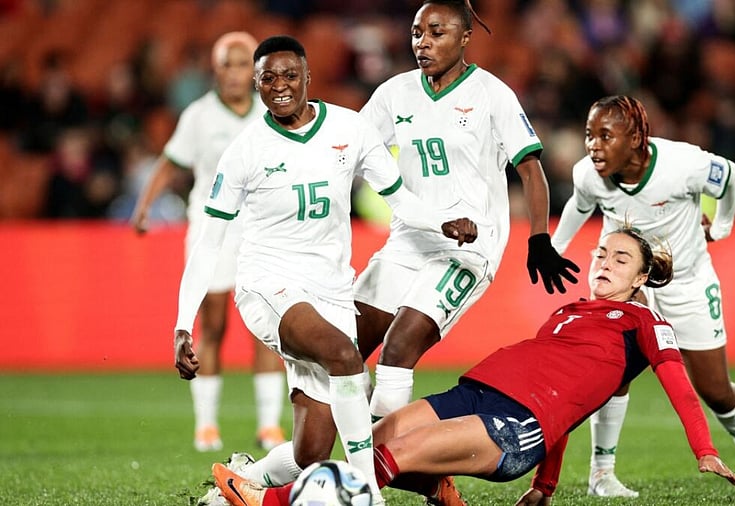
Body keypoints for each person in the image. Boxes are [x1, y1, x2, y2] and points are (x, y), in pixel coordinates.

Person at [211, 226, 735, 506]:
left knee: (394, 456)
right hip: (475, 394)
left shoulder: (644, 323)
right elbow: (571, 399)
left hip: (516, 426)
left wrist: (705, 451)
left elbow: (679, 386)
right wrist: (548, 487)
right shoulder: (570, 313)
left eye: (619, 259)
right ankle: (436, 489)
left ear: (640, 278)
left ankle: (269, 499)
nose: (604, 263)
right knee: (366, 441)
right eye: (601, 254)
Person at [173, 34, 477, 506]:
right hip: (267, 285)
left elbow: (398, 198)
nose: (280, 86)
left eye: (289, 75)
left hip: (331, 290)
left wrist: (443, 221)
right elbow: (209, 241)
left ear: (307, 77)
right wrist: (181, 323)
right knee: (345, 357)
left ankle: (241, 483)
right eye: (267, 78)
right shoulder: (245, 151)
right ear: (256, 85)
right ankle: (368, 495)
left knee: (311, 449)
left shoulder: (349, 129)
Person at [550, 95, 735, 495]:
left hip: (687, 282)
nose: (593, 144)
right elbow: (580, 204)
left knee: (715, 388)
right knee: (612, 373)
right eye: (589, 134)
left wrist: (724, 225)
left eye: (605, 135)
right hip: (632, 285)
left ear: (636, 138)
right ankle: (601, 474)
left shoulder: (682, 165)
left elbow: (730, 176)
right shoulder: (589, 173)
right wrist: (553, 248)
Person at [355, 0, 578, 424]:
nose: (423, 42)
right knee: (345, 350)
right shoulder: (393, 93)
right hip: (408, 238)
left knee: (399, 349)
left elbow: (530, 170)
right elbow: (352, 150)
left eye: (436, 32)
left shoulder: (492, 95)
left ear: (465, 37)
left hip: (469, 246)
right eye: (417, 32)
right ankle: (391, 453)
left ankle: (371, 471)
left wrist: (539, 237)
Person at [131, 32, 288, 453]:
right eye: (227, 64)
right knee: (213, 326)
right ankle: (206, 425)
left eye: (242, 64)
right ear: (215, 69)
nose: (235, 72)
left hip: (260, 228)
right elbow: (171, 162)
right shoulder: (199, 116)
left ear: (255, 71)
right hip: (212, 229)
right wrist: (143, 207)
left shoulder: (271, 111)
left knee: (266, 327)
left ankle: (269, 425)